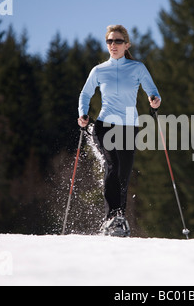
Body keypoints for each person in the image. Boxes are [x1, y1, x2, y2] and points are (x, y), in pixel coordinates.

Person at [78, 25, 161, 236]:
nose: (113, 45)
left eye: (117, 41)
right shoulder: (99, 70)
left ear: (127, 45)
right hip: (105, 125)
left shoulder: (137, 68)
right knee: (113, 165)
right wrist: (83, 113)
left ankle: (119, 218)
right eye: (109, 41)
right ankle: (111, 218)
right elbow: (85, 94)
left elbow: (152, 90)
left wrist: (154, 100)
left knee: (123, 173)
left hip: (129, 126)